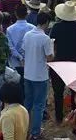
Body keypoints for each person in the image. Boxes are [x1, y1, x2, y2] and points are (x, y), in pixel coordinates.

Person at [50, 1, 76, 123]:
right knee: (75, 92)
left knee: (58, 92)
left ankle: (59, 117)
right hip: (74, 63)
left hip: (58, 63)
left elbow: (52, 44)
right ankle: (75, 115)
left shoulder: (56, 27)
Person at [23, 11, 53, 139]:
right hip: (40, 76)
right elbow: (49, 58)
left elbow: (24, 51)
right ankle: (35, 132)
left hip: (28, 73)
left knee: (28, 103)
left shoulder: (28, 34)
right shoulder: (45, 38)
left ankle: (24, 127)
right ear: (46, 23)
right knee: (39, 105)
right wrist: (53, 48)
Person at [6, 4, 34, 90]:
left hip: (15, 63)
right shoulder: (32, 28)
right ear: (27, 14)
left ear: (15, 14)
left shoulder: (10, 29)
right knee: (28, 89)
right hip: (30, 63)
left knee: (17, 88)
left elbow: (10, 47)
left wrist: (20, 57)